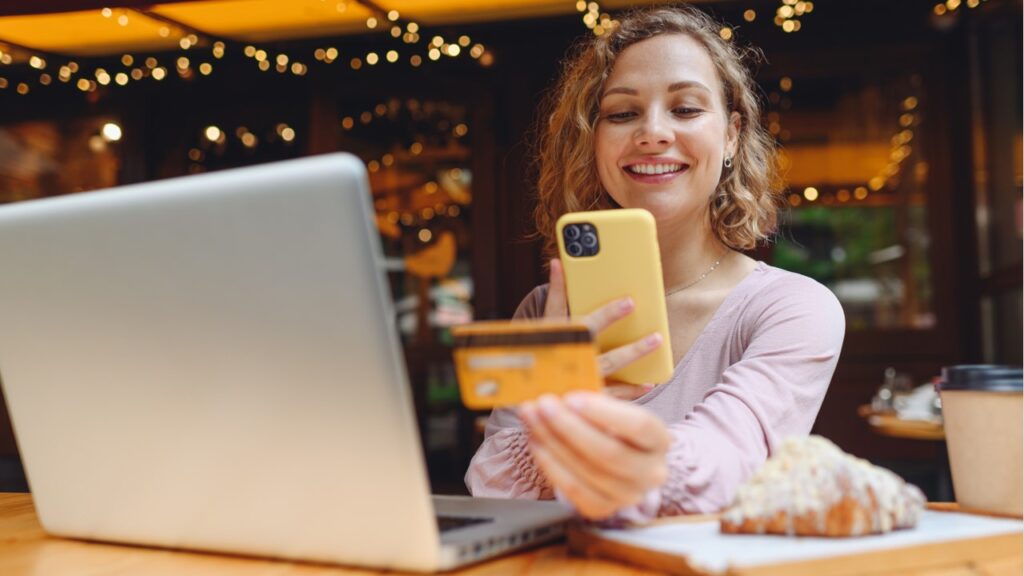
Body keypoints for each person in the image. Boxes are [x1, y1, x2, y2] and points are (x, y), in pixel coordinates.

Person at [465, 5, 845, 522]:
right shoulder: (544, 311)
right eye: (622, 114)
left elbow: (729, 464)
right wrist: (549, 410)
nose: (653, 133)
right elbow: (496, 505)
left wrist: (582, 427)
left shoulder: (793, 310)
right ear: (593, 141)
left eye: (686, 109)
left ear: (732, 135)